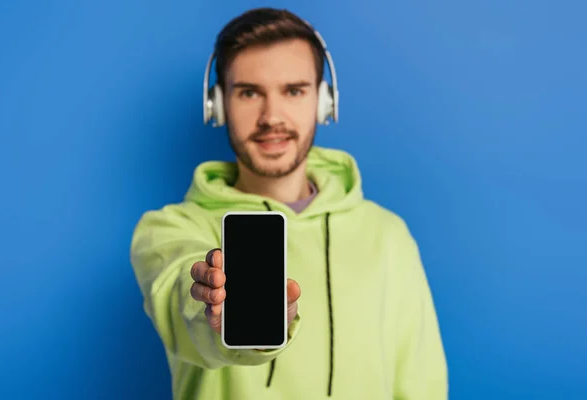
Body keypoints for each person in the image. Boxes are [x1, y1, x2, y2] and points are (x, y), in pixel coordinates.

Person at [130, 7, 448, 400]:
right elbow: (183, 304)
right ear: (217, 104)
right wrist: (215, 313)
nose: (271, 116)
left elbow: (421, 384)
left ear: (324, 101)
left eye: (294, 91)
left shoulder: (387, 235)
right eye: (249, 92)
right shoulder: (168, 230)